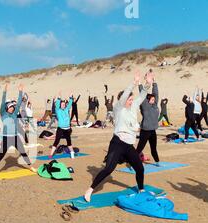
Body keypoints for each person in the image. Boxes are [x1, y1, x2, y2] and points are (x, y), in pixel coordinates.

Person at [84, 71, 153, 203]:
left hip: (128, 146)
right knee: (109, 169)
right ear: (124, 100)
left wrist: (147, 84)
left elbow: (142, 95)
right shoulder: (118, 109)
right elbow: (125, 96)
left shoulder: (133, 107)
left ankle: (141, 189)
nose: (132, 101)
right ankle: (90, 190)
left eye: (132, 99)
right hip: (117, 144)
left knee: (140, 168)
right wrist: (133, 84)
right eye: (130, 99)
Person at [0, 84, 36, 179]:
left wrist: (20, 92)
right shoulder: (3, 114)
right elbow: (2, 103)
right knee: (1, 156)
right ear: (7, 108)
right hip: (6, 138)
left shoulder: (14, 114)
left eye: (12, 108)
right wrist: (5, 91)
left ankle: (31, 167)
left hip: (15, 137)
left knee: (23, 152)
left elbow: (18, 103)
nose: (12, 108)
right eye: (10, 107)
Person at [136, 74, 160, 166]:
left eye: (154, 99)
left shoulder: (155, 106)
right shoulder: (145, 106)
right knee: (139, 148)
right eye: (152, 99)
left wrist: (154, 82)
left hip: (152, 131)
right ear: (147, 100)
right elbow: (142, 94)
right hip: (145, 131)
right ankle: (133, 161)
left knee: (153, 148)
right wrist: (140, 84)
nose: (154, 100)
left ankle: (157, 162)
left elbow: (156, 94)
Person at [48, 94, 75, 159]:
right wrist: (59, 98)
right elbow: (57, 105)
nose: (63, 105)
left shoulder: (67, 109)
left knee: (69, 142)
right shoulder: (58, 110)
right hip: (60, 129)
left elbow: (70, 104)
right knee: (56, 141)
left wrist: (71, 98)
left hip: (67, 129)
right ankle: (51, 154)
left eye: (64, 104)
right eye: (62, 104)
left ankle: (72, 153)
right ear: (60, 105)